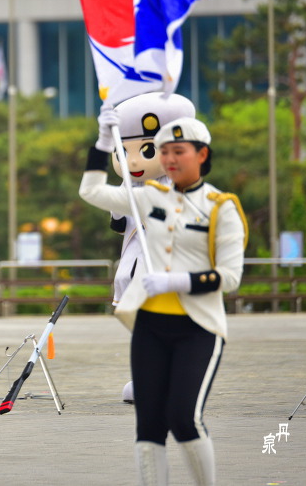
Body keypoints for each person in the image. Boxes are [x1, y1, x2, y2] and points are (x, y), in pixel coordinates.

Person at [80, 114, 247, 486]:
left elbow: (231, 277)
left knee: (184, 419)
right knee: (149, 426)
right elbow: (91, 192)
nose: (170, 158)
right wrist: (103, 143)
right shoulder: (147, 197)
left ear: (202, 154)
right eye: (164, 151)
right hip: (150, 327)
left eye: (179, 151)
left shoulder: (221, 207)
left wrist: (176, 281)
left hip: (197, 326)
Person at [106, 93, 196, 404]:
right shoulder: (128, 186)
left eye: (146, 150)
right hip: (133, 264)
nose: (132, 160)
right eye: (122, 151)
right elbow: (119, 223)